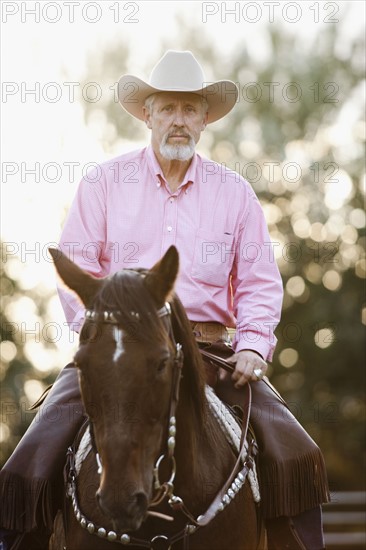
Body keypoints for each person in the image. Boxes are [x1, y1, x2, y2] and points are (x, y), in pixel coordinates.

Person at [0, 50, 329, 549]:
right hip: (120, 350)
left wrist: (255, 346)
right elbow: (78, 269)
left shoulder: (235, 194)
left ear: (204, 119)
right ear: (148, 115)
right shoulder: (104, 183)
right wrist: (107, 338)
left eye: (189, 109)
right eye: (168, 108)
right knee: (30, 460)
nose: (179, 120)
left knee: (295, 457)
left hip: (214, 354)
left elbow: (260, 281)